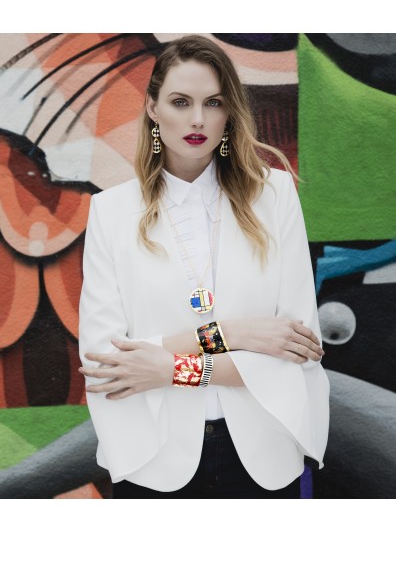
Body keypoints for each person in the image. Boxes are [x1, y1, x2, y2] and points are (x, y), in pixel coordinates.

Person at [78, 35, 329, 499]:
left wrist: (171, 367)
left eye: (213, 102)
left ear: (229, 111)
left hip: (262, 457)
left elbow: (299, 349)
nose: (197, 119)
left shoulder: (274, 197)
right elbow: (104, 363)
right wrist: (230, 334)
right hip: (155, 461)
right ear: (153, 109)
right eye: (180, 102)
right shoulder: (111, 212)